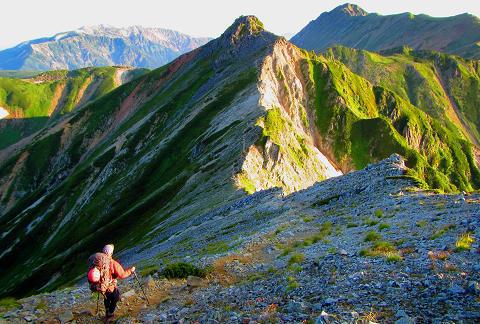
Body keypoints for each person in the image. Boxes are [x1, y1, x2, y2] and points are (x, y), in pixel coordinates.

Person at [101, 244, 136, 320]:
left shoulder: (99, 262)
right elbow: (122, 275)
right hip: (110, 286)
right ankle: (110, 314)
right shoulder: (113, 263)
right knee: (115, 297)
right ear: (111, 253)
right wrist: (131, 270)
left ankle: (107, 312)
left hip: (102, 286)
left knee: (106, 297)